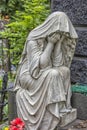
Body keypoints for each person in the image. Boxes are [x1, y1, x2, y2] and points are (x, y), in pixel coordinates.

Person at [14, 11, 78, 130]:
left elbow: (58, 64)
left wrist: (58, 42)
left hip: (44, 71)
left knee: (64, 70)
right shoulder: (33, 38)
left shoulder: (54, 38)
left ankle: (61, 107)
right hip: (29, 75)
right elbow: (40, 66)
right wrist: (50, 43)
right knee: (53, 74)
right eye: (58, 30)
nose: (59, 33)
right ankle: (53, 111)